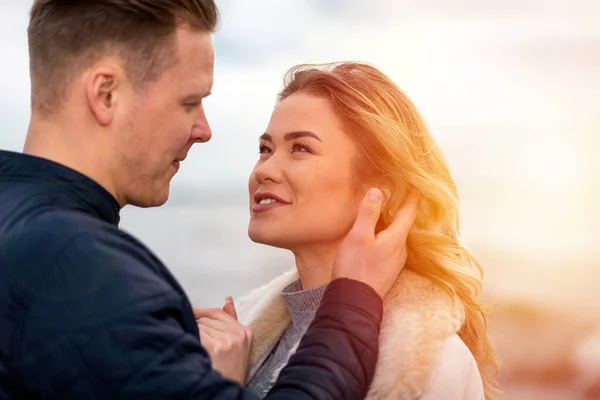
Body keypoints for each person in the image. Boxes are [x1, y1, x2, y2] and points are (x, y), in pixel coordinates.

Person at [0, 2, 419, 399]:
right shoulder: (78, 264)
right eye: (189, 102)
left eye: (302, 148)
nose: (203, 130)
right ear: (105, 94)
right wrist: (352, 302)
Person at [196, 62, 501, 399]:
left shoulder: (426, 362)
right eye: (265, 149)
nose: (265, 170)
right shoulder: (241, 337)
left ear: (378, 193)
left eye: (301, 148)